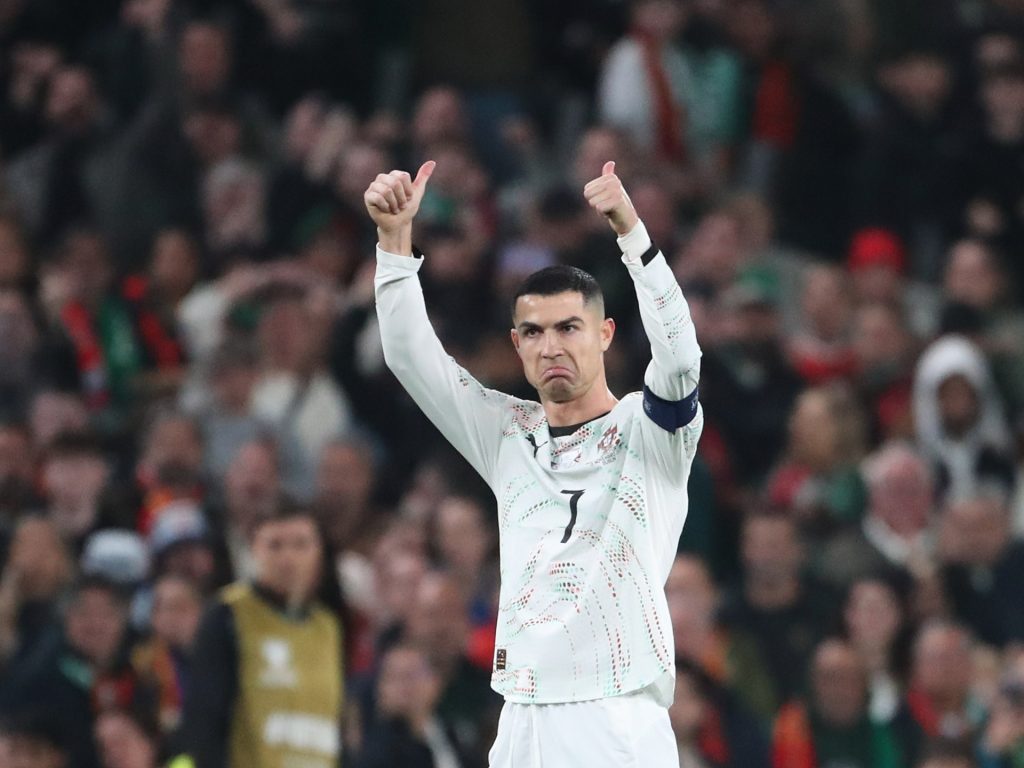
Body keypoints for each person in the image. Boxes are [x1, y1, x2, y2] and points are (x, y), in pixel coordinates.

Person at [366, 159, 703, 766]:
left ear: (604, 334)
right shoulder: (507, 434)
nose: (551, 347)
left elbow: (679, 359)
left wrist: (632, 235)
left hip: (616, 713)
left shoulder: (649, 431)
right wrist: (394, 242)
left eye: (569, 328)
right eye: (534, 332)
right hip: (521, 715)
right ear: (516, 343)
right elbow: (412, 359)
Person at [178, 503, 344, 768]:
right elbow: (205, 718)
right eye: (275, 546)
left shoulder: (329, 628)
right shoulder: (229, 614)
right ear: (254, 550)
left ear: (319, 552)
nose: (288, 558)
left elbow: (335, 726)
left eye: (301, 545)